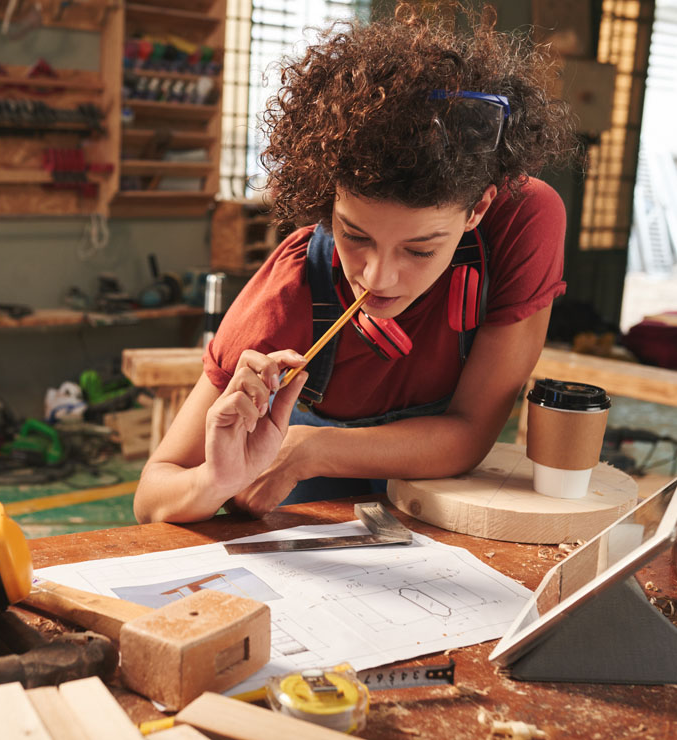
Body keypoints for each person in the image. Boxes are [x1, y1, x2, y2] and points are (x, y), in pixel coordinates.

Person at [134, 2, 578, 524]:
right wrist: (218, 479)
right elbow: (152, 496)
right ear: (329, 201)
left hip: (433, 513)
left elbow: (469, 430)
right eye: (355, 235)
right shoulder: (291, 294)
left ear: (477, 207)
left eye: (420, 249)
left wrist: (308, 448)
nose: (376, 277)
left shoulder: (522, 221)